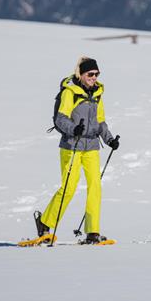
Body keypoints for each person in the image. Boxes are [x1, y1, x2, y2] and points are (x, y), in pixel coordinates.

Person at [32, 56, 119, 245]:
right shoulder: (70, 92)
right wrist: (74, 129)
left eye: (96, 74)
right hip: (72, 145)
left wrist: (110, 139)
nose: (94, 77)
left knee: (95, 187)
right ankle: (45, 222)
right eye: (90, 74)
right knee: (69, 187)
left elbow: (100, 121)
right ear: (81, 74)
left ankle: (93, 231)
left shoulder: (97, 93)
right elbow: (60, 119)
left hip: (91, 147)